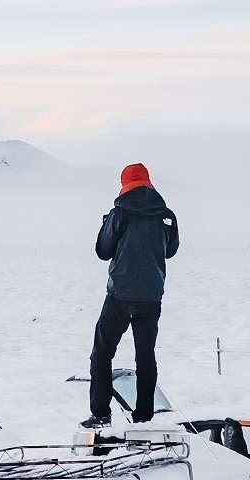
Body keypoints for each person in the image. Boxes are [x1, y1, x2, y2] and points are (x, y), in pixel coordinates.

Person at [81, 163, 180, 429]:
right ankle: (144, 418)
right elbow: (170, 251)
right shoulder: (166, 215)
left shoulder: (120, 213)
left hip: (120, 295)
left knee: (102, 352)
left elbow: (103, 250)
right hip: (151, 297)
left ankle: (101, 414)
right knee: (145, 356)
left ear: (125, 185)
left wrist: (108, 225)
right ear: (148, 183)